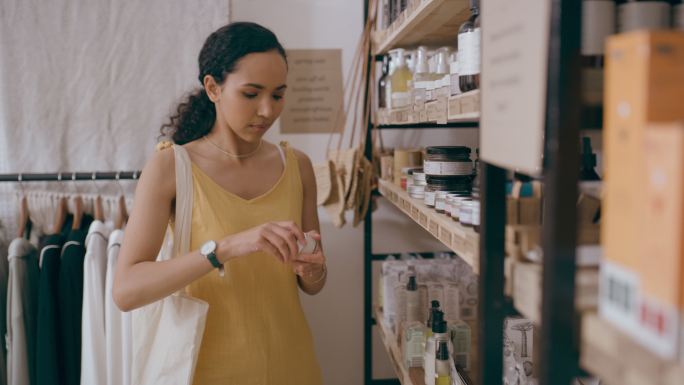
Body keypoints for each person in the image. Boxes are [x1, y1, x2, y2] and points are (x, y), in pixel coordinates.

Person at [113, 22, 325, 384]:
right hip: (204, 370)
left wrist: (313, 271)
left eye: (277, 95)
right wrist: (224, 248)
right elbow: (127, 290)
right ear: (213, 87)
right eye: (251, 94)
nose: (266, 110)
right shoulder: (171, 166)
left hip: (292, 365)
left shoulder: (298, 166)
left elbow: (314, 283)